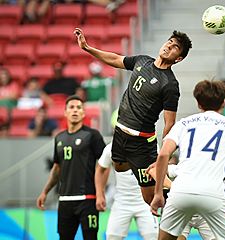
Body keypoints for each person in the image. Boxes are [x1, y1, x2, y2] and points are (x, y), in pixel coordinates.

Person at [74, 27, 192, 205]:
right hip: (120, 134)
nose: (169, 46)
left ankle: (182, 201)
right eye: (170, 41)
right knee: (119, 167)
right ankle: (159, 176)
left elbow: (169, 122)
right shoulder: (143, 61)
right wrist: (87, 48)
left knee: (149, 198)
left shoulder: (170, 84)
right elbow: (115, 59)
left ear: (179, 58)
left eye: (175, 47)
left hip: (141, 143)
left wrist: (164, 155)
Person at [150, 80, 225, 240]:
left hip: (180, 192)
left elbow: (163, 155)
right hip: (214, 194)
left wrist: (158, 193)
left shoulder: (182, 124)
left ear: (198, 103)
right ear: (223, 102)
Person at [36, 95, 106, 240]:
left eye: (79, 108)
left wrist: (100, 193)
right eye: (71, 107)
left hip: (88, 199)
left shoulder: (92, 135)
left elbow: (104, 164)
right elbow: (57, 168)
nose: (75, 110)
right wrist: (45, 192)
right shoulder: (59, 138)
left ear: (83, 113)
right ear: (65, 112)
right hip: (65, 200)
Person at [95, 142, 158, 240]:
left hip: (145, 202)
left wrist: (158, 193)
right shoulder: (112, 148)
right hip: (121, 202)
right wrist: (99, 194)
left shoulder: (151, 145)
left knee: (153, 237)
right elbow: (100, 169)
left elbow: (160, 168)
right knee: (111, 237)